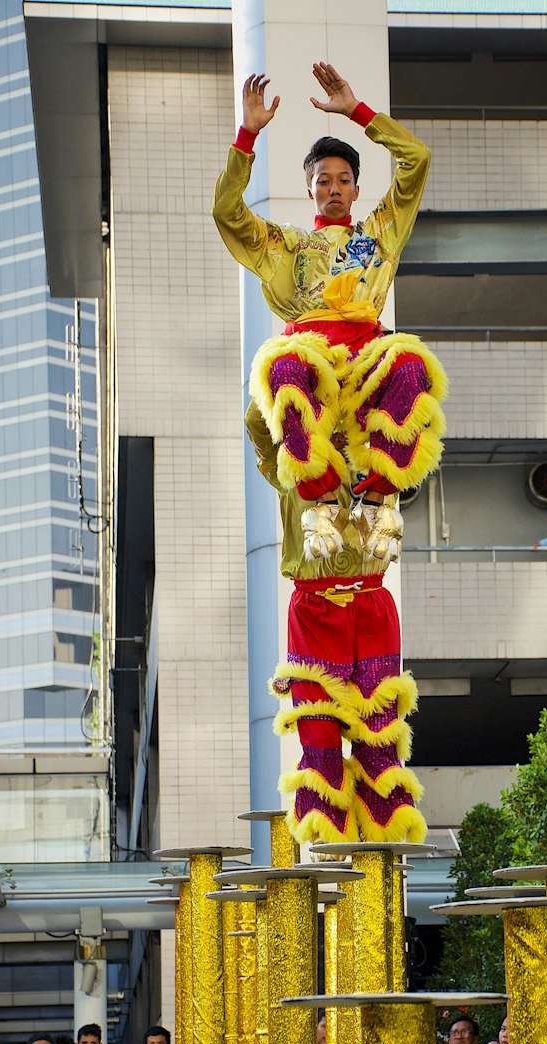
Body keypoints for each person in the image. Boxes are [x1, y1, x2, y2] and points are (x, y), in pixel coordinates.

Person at [212, 63, 447, 844]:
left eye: (347, 178)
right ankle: (322, 834)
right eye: (325, 179)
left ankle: (374, 492)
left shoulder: (378, 238)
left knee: (410, 364)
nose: (338, 189)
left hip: (365, 385)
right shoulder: (285, 251)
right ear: (308, 191)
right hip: (313, 384)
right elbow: (226, 214)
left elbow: (414, 165)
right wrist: (248, 135)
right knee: (283, 367)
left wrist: (360, 111)